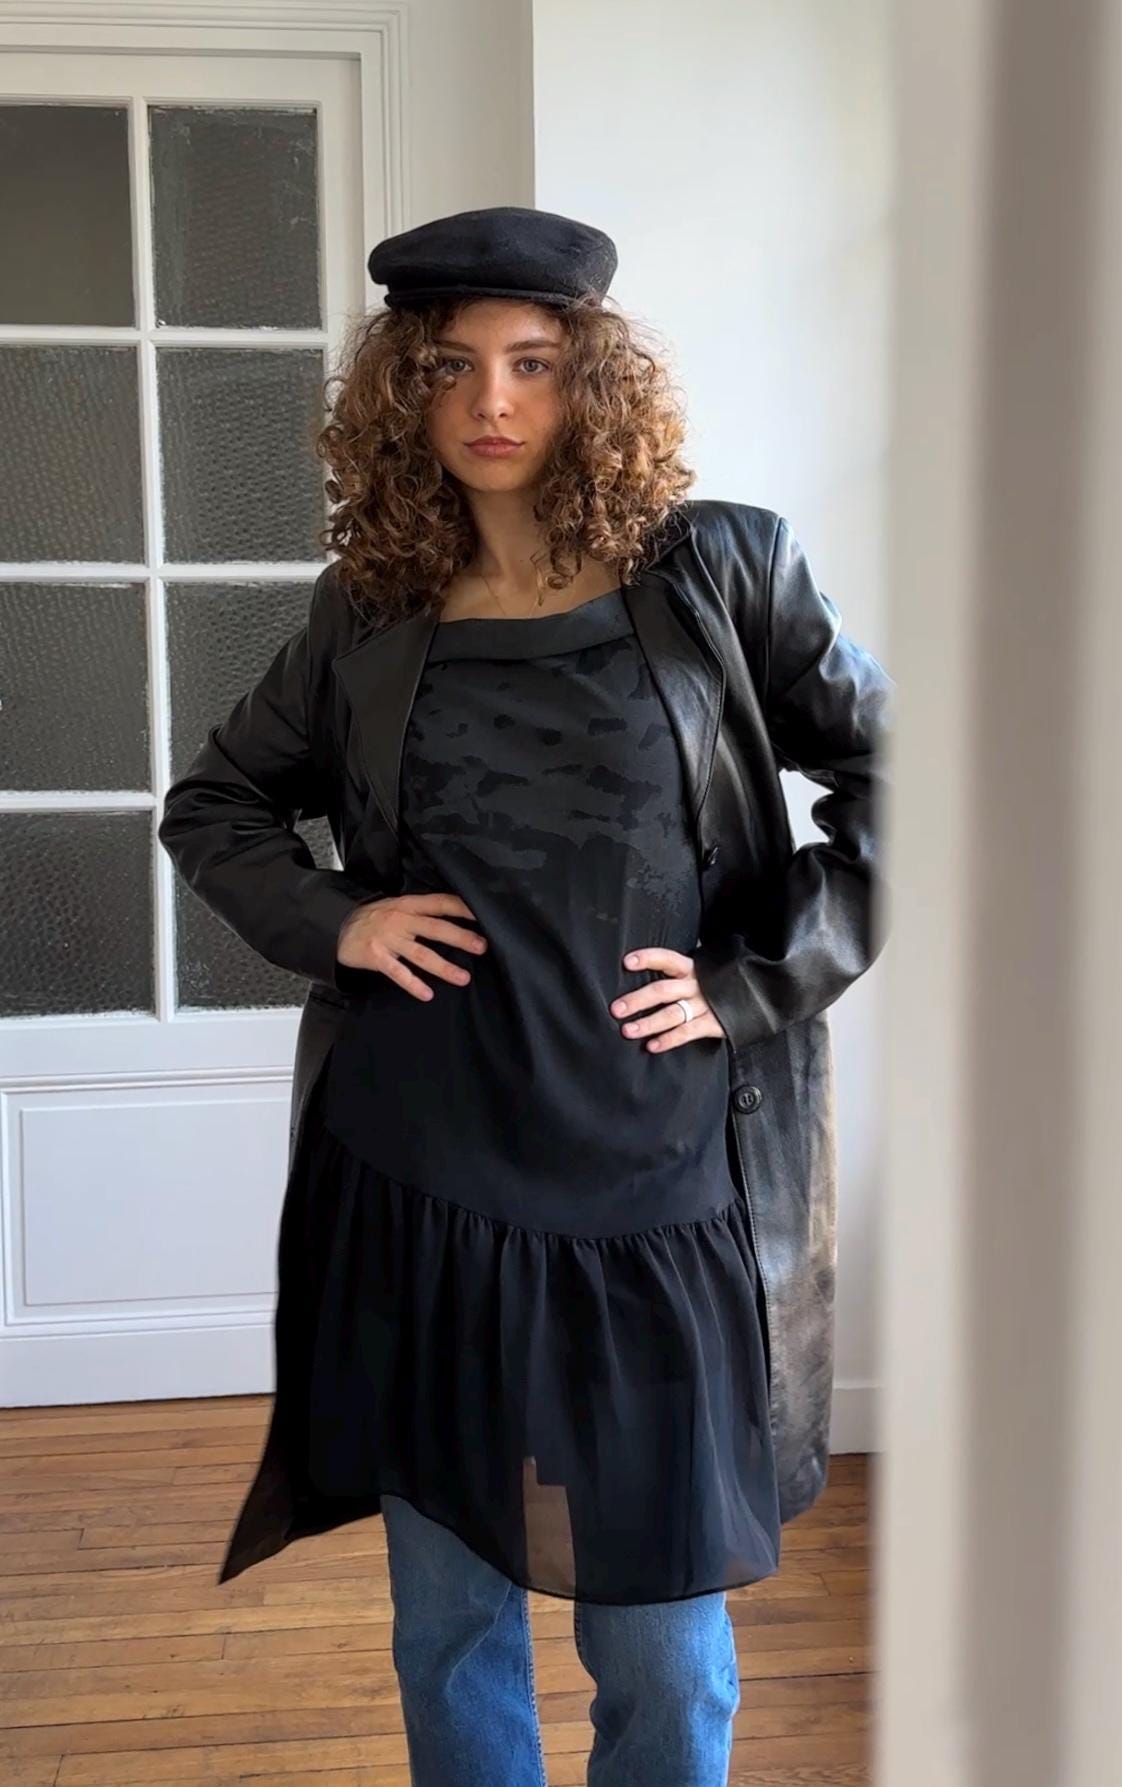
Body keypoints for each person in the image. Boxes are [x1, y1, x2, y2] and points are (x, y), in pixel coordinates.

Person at [158, 204, 892, 1787]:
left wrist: (752, 984)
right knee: (447, 1621)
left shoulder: (720, 569)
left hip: (654, 1176)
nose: (491, 400)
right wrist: (338, 920)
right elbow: (214, 804)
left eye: (534, 362)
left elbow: (901, 780)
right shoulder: (368, 607)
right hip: (419, 1166)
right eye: (449, 366)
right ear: (401, 392)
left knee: (665, 1654)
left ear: (592, 378)